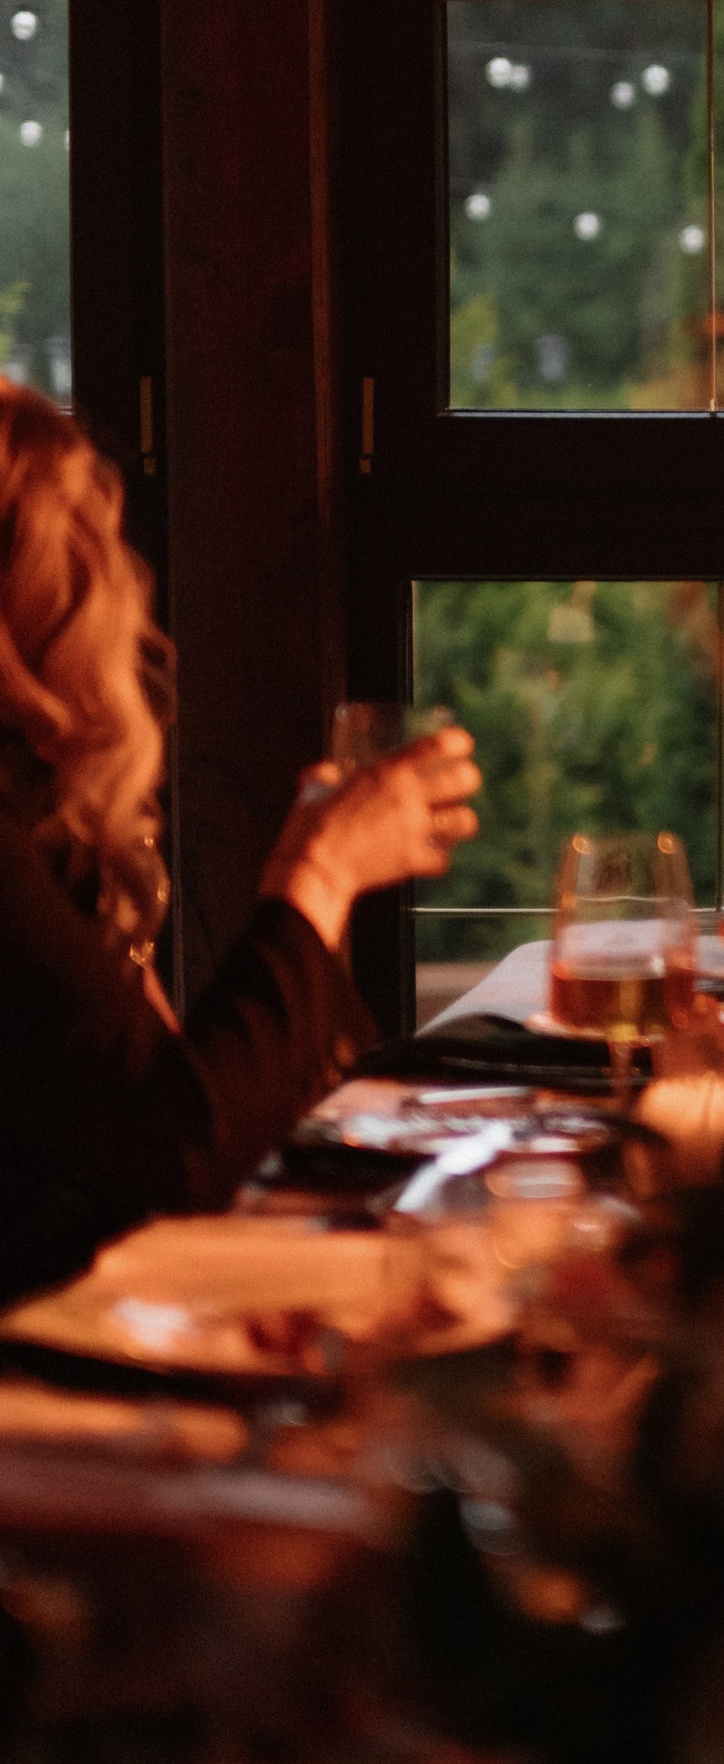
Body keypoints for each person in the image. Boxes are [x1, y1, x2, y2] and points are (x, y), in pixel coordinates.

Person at [0, 386, 479, 1304]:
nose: (126, 584)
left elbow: (193, 1100)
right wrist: (319, 872)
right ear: (43, 591)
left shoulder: (39, 814)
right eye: (90, 545)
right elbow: (180, 1151)